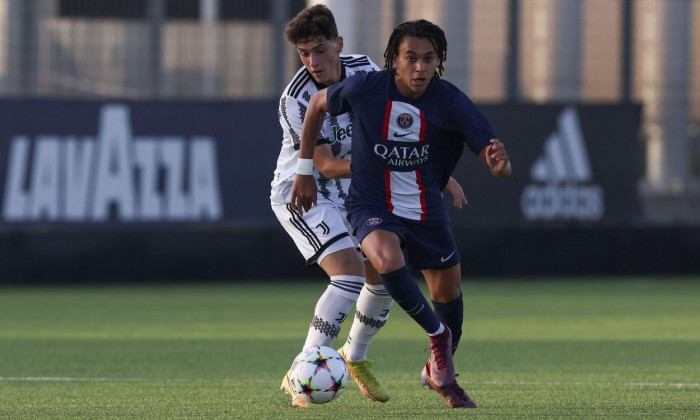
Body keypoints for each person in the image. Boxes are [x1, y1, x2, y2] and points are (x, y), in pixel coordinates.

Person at [291, 19, 511, 409]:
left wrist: (498, 164)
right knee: (385, 260)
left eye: (429, 59)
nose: (420, 68)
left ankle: (436, 362)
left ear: (439, 61)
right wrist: (304, 169)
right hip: (372, 205)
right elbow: (317, 105)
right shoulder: (367, 87)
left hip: (426, 210)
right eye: (411, 58)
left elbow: (491, 154)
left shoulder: (450, 100)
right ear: (394, 59)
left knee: (448, 295)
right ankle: (435, 337)